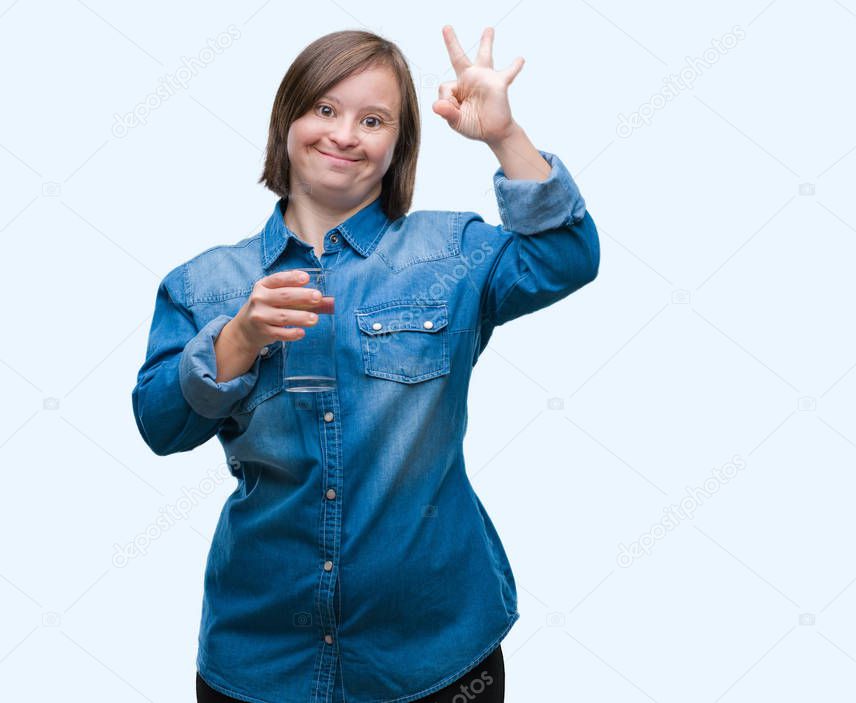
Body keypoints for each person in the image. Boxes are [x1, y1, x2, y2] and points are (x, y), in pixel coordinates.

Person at [131, 25, 600, 703]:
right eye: (324, 109)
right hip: (261, 657)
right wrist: (237, 337)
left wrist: (504, 135)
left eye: (372, 119)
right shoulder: (204, 283)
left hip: (435, 652)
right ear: (286, 120)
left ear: (397, 146)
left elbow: (565, 257)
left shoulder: (454, 250)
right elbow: (158, 424)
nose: (344, 134)